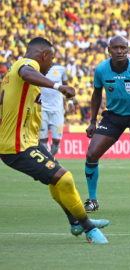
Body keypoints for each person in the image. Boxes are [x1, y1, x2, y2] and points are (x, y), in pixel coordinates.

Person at [0, 37, 108, 243]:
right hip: (16, 147)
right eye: (51, 61)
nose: (51, 66)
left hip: (29, 142)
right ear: (44, 56)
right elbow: (26, 71)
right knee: (64, 178)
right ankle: (88, 228)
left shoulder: (10, 75)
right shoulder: (25, 65)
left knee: (56, 180)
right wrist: (59, 87)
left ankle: (76, 222)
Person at [84, 36, 130, 215]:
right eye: (115, 48)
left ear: (128, 49)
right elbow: (96, 95)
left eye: (123, 47)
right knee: (91, 153)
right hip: (113, 116)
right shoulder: (102, 69)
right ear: (109, 50)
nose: (119, 51)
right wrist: (93, 121)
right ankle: (92, 200)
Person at [37, 63, 68, 156]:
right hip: (41, 108)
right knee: (43, 139)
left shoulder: (61, 69)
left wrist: (70, 102)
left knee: (56, 140)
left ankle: (50, 157)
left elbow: (66, 87)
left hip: (57, 109)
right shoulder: (37, 68)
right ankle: (46, 160)